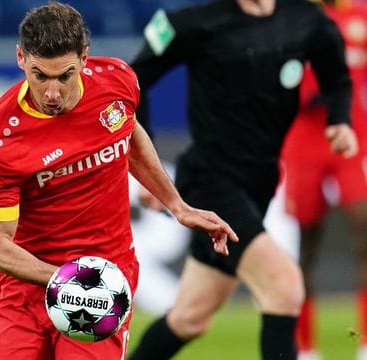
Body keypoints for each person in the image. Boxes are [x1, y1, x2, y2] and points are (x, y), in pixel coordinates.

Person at [0, 2, 238, 360]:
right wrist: (67, 281)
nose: (51, 93)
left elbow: (129, 133)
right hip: (25, 288)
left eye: (64, 75)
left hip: (103, 279)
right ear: (21, 58)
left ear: (84, 58)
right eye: (40, 75)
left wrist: (177, 205)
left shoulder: (117, 81)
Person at [127, 0, 357, 359]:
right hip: (210, 181)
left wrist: (339, 121)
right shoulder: (193, 23)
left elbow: (337, 77)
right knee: (284, 287)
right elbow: (132, 80)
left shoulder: (307, 19)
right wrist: (147, 166)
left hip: (259, 183)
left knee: (191, 317)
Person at [280, 1, 367, 359]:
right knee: (305, 247)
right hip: (304, 139)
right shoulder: (295, 18)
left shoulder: (361, 14)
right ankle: (306, 348)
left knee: (365, 233)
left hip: (351, 136)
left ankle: (364, 342)